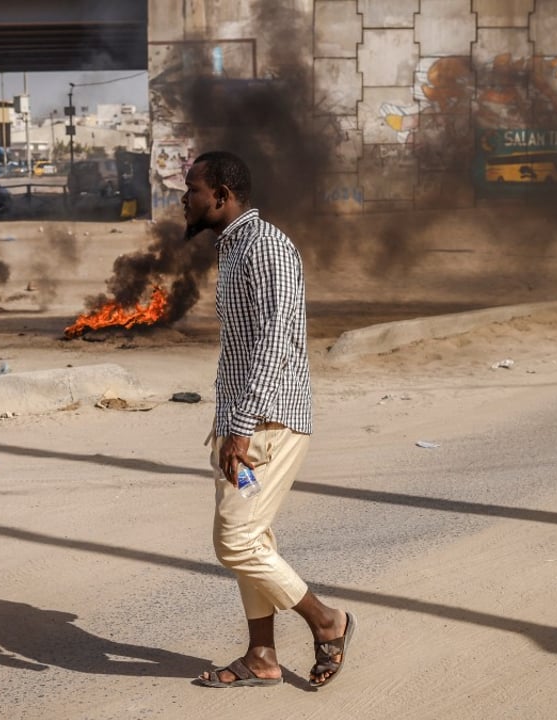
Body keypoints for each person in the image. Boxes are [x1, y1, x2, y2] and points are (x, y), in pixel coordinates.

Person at [182, 150, 355, 690]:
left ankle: (328, 622)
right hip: (241, 422)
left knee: (234, 542)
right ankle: (262, 657)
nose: (183, 198)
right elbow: (240, 347)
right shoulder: (234, 252)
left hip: (269, 423)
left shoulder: (268, 247)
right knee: (255, 540)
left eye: (192, 188)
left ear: (222, 196)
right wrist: (227, 421)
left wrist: (243, 424)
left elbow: (278, 341)